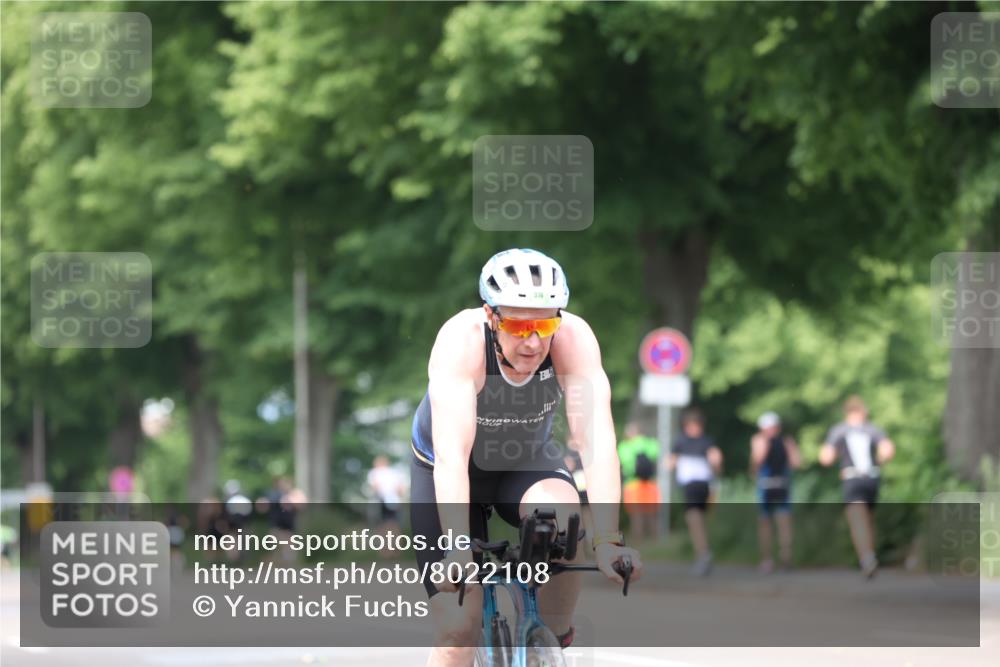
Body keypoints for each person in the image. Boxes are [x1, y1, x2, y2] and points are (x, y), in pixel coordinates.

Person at [409, 248, 643, 667]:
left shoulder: (573, 340)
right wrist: (458, 549)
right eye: (518, 326)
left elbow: (596, 442)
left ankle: (550, 639)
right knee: (458, 631)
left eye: (545, 325)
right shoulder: (462, 342)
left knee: (565, 522)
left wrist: (608, 540)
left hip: (524, 461)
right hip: (448, 471)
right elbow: (452, 457)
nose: (533, 342)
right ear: (491, 316)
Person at [819, 395, 896, 578]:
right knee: (868, 519)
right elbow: (888, 450)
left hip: (852, 478)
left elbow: (825, 458)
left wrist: (835, 456)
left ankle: (867, 558)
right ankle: (870, 555)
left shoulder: (839, 431)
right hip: (872, 479)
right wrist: (879, 459)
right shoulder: (873, 429)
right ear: (863, 411)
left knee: (857, 520)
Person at [668, 407, 722, 576]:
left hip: (698, 484)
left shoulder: (703, 442)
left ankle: (703, 552)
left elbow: (716, 463)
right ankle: (703, 552)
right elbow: (670, 463)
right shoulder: (684, 442)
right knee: (697, 518)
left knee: (694, 517)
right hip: (694, 484)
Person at [751, 411, 801, 573]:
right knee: (771, 521)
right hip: (771, 485)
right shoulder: (773, 441)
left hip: (776, 484)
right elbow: (796, 463)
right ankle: (771, 558)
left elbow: (796, 462)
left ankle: (782, 557)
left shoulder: (781, 441)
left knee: (778, 521)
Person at [367, 455, 408, 557]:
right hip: (393, 501)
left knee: (383, 525)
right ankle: (395, 550)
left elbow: (374, 487)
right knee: (394, 525)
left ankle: (385, 551)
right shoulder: (394, 472)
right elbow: (401, 488)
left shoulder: (374, 473)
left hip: (381, 501)